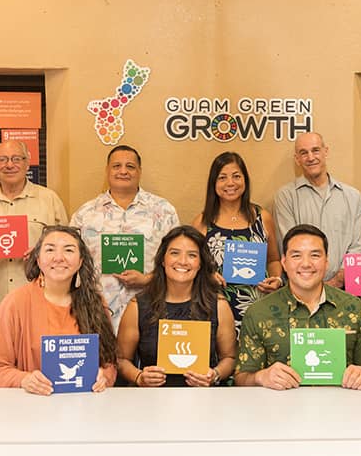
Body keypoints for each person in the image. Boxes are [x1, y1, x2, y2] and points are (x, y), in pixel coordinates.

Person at [0, 140, 67, 376]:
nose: (10, 165)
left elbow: (69, 248)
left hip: (41, 313)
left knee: (43, 384)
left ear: (27, 162)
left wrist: (44, 253)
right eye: (2, 160)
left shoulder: (49, 200)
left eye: (16, 159)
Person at [235, 224, 361, 390]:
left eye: (315, 255)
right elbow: (242, 377)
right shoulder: (259, 313)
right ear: (284, 262)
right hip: (279, 411)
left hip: (341, 409)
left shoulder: (354, 308)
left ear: (326, 262)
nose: (306, 264)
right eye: (296, 255)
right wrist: (261, 377)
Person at [0, 226, 116, 394]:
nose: (59, 258)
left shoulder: (95, 302)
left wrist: (104, 377)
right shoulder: (15, 304)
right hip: (32, 409)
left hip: (84, 408)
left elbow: (109, 363)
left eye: (68, 250)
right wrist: (24, 379)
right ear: (37, 259)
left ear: (81, 261)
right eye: (50, 249)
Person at [70, 145, 180, 332]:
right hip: (97, 313)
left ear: (139, 171)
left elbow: (177, 260)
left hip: (150, 310)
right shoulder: (85, 213)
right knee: (101, 362)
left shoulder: (163, 210)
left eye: (130, 166)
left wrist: (148, 279)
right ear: (107, 170)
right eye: (116, 166)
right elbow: (71, 260)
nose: (123, 171)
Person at [116, 226, 237, 387]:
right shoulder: (137, 306)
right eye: (174, 253)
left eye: (192, 255)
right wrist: (139, 377)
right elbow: (122, 359)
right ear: (162, 260)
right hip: (151, 401)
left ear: (201, 263)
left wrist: (214, 374)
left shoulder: (219, 305)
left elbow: (230, 358)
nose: (182, 261)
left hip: (203, 400)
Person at [191, 152, 283, 334]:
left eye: (236, 176)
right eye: (222, 177)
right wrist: (206, 275)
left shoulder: (262, 217)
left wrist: (277, 280)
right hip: (215, 307)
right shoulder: (202, 222)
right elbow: (191, 266)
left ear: (245, 180)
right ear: (213, 183)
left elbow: (273, 259)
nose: (230, 183)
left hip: (257, 308)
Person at [274, 132, 361, 289]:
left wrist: (337, 281)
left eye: (315, 150)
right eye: (304, 153)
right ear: (297, 159)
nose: (310, 157)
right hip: (300, 290)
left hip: (345, 291)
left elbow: (357, 246)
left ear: (326, 151)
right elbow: (290, 246)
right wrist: (313, 286)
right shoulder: (285, 197)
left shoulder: (353, 196)